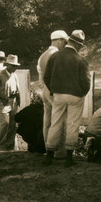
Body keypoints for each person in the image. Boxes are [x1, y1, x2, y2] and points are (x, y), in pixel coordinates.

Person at [44, 29, 91, 167]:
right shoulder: (80, 60)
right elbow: (86, 82)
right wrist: (82, 93)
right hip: (75, 95)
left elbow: (46, 77)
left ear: (69, 41)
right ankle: (69, 158)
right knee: (72, 125)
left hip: (58, 94)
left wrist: (54, 90)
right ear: (78, 45)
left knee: (55, 123)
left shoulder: (55, 56)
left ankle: (49, 156)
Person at [37, 30, 69, 159]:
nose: (65, 44)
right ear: (60, 41)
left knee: (48, 121)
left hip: (45, 89)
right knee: (60, 120)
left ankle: (48, 148)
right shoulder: (57, 54)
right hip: (55, 90)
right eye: (65, 42)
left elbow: (41, 76)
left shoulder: (43, 55)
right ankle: (59, 152)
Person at [0, 54, 21, 150]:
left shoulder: (15, 75)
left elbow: (18, 88)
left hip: (13, 101)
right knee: (4, 123)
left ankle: (10, 145)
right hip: (3, 102)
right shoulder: (0, 75)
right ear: (8, 65)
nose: (15, 68)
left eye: (16, 66)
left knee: (13, 124)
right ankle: (1, 144)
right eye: (13, 66)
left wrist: (18, 100)